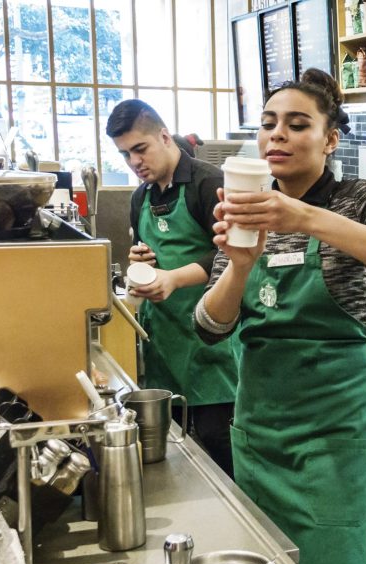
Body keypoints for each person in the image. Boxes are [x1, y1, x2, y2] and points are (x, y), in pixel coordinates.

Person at [194, 69, 366, 564]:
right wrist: (238, 266)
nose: (276, 135)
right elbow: (211, 327)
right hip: (262, 425)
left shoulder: (357, 200)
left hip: (334, 430)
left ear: (330, 139)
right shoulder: (248, 204)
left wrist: (305, 218)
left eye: (296, 124)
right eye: (268, 124)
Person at [106, 99, 239, 477]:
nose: (134, 162)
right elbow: (150, 255)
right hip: (165, 344)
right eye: (124, 154)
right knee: (176, 459)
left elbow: (238, 256)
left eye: (140, 149)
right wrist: (141, 263)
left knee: (221, 450)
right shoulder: (141, 197)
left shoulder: (208, 185)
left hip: (213, 347)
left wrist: (175, 278)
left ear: (164, 136)